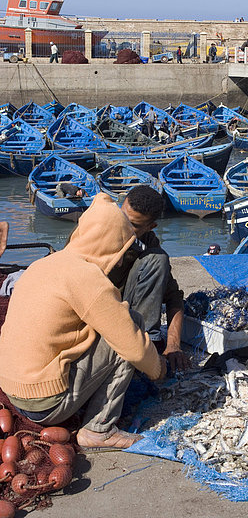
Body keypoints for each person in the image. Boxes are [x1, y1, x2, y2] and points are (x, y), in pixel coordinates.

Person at [0, 193, 167, 450]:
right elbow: (133, 346)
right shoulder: (88, 278)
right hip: (44, 404)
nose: (121, 260)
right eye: (120, 249)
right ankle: (99, 430)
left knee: (113, 330)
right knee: (128, 330)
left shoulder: (44, 264)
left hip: (12, 388)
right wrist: (157, 369)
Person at [108, 186, 188, 371]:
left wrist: (173, 345)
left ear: (150, 227)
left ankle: (146, 346)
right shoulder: (97, 230)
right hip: (94, 313)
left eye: (134, 225)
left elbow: (174, 296)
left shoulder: (148, 243)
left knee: (158, 258)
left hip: (124, 316)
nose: (124, 227)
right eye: (123, 217)